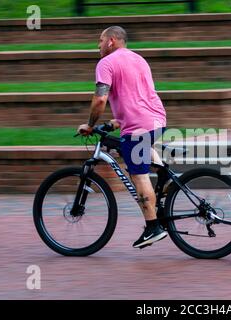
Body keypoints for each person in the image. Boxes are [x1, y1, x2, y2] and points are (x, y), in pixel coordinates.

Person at [77, 26, 167, 249]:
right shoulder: (139, 59)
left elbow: (100, 100)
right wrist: (116, 121)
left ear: (111, 41)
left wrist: (90, 125)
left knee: (139, 175)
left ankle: (153, 226)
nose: (97, 45)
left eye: (100, 40)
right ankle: (165, 184)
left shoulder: (106, 63)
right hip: (157, 120)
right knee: (141, 153)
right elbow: (139, 97)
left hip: (138, 127)